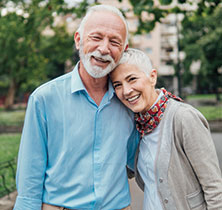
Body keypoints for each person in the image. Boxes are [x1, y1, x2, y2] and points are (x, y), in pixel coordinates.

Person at [13, 5, 139, 210]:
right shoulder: (44, 99)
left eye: (114, 41)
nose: (104, 48)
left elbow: (141, 161)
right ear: (78, 40)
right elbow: (29, 181)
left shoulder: (129, 101)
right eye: (96, 37)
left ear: (123, 50)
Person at [110, 48, 222, 210]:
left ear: (152, 77)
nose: (126, 91)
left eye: (132, 79)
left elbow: (214, 189)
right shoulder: (136, 125)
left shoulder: (184, 118)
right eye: (118, 85)